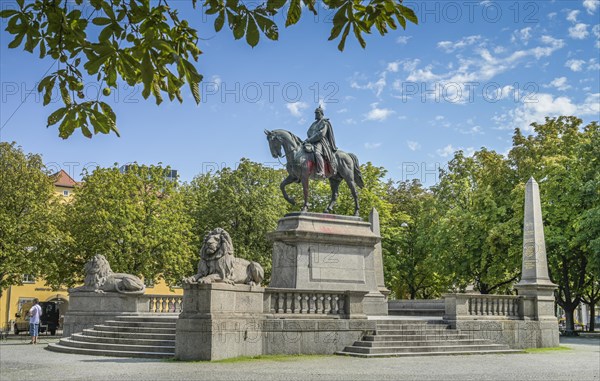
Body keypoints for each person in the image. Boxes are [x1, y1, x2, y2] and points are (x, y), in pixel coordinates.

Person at [303, 106, 338, 177]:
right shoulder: (314, 124)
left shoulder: (324, 122)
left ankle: (321, 171)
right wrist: (309, 139)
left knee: (317, 153)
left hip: (321, 142)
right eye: (315, 113)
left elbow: (321, 134)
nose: (316, 114)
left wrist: (310, 139)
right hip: (312, 141)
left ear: (321, 113)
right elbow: (309, 132)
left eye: (317, 113)